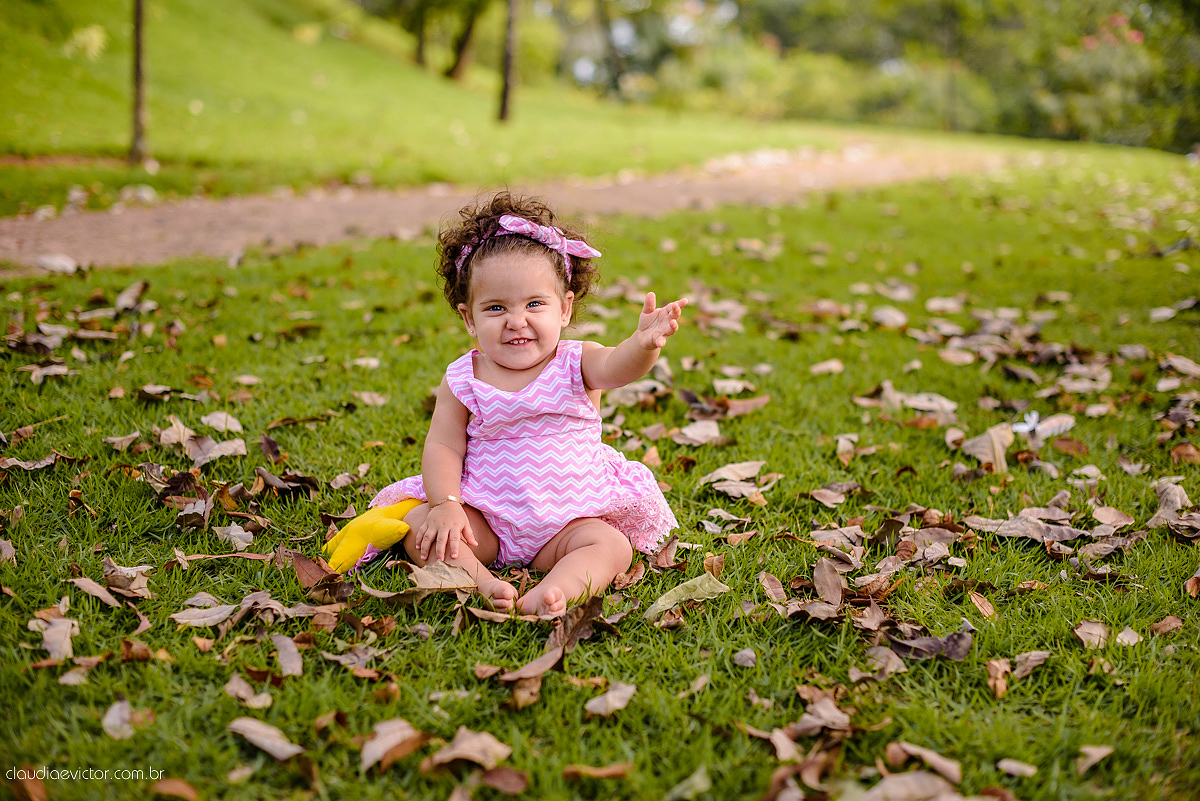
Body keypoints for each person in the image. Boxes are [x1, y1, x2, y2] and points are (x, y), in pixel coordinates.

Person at [324, 192, 687, 616]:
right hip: (487, 519)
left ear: (565, 308)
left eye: (535, 304)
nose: (517, 320)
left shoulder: (577, 360)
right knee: (421, 527)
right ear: (469, 319)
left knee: (611, 545)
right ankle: (484, 584)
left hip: (569, 519)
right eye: (496, 307)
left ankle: (556, 591)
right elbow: (444, 446)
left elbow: (619, 367)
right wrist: (446, 504)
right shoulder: (464, 377)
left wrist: (643, 345)